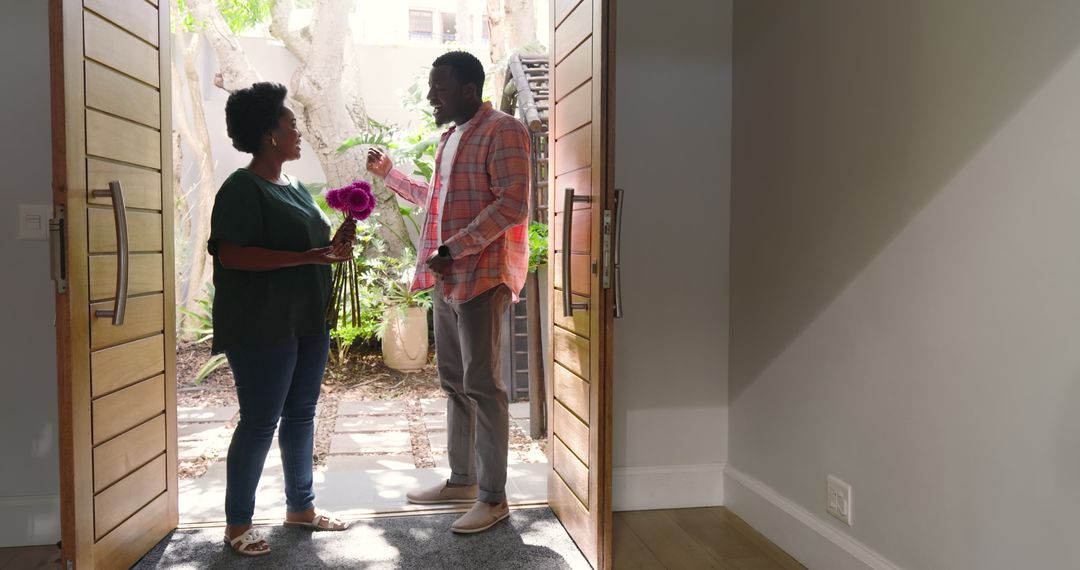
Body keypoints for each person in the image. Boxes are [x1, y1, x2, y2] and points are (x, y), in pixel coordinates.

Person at [366, 50, 531, 534]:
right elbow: (434, 199)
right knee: (455, 383)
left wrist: (455, 249)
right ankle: (462, 480)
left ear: (467, 88)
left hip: (481, 275)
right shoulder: (451, 138)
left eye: (439, 87)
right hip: (448, 277)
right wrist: (390, 175)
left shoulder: (504, 130)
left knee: (483, 386)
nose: (430, 96)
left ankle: (494, 497)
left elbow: (513, 205)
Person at [208, 82, 355, 557]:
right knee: (258, 422)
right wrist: (306, 257)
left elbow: (305, 247)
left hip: (307, 317)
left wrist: (335, 245)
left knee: (301, 414)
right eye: (290, 122)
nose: (298, 130)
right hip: (261, 324)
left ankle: (301, 508)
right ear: (270, 134)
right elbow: (233, 256)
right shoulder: (241, 187)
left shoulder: (291, 186)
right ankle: (237, 525)